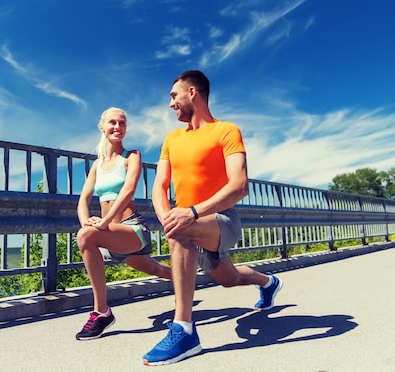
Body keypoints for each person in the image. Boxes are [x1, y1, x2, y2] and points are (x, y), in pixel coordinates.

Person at [142, 70, 282, 365]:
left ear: (192, 92)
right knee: (228, 279)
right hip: (189, 221)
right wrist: (168, 216)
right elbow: (159, 186)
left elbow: (239, 185)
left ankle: (184, 331)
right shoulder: (171, 139)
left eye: (173, 96)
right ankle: (268, 283)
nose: (171, 104)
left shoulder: (226, 131)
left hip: (222, 220)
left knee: (182, 231)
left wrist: (191, 213)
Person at [75, 107, 172, 341]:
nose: (117, 127)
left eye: (122, 123)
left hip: (132, 229)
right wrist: (86, 221)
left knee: (85, 237)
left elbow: (128, 191)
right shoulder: (97, 165)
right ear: (102, 127)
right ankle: (190, 278)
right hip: (110, 235)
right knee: (157, 270)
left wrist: (102, 224)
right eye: (112, 123)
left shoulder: (132, 156)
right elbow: (83, 200)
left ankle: (101, 312)